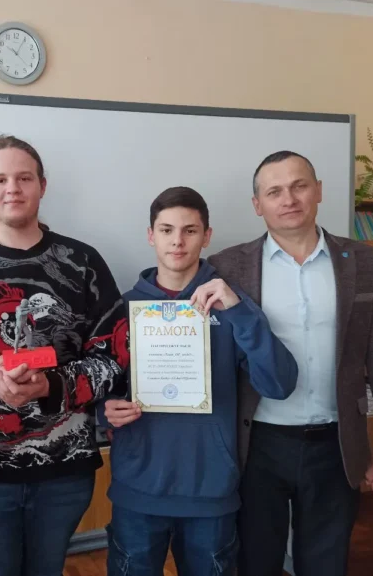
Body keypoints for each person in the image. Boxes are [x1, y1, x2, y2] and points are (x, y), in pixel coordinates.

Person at [0, 135, 128, 576]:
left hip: (63, 471)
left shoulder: (83, 262)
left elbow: (113, 356)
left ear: (42, 186)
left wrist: (53, 385)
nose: (12, 188)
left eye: (24, 178)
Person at [207, 151, 373, 576]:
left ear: (318, 190)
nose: (289, 199)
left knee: (326, 563)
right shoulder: (227, 267)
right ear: (257, 205)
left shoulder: (366, 263)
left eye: (299, 186)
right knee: (254, 563)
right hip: (255, 446)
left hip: (336, 445)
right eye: (274, 191)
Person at [100, 186, 298, 576]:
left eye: (190, 230)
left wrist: (238, 312)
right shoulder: (122, 309)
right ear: (151, 235)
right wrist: (104, 411)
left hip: (210, 491)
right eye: (167, 230)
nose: (178, 241)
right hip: (138, 490)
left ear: (207, 236)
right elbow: (100, 388)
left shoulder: (233, 304)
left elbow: (280, 384)